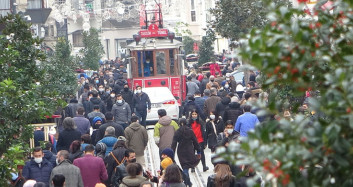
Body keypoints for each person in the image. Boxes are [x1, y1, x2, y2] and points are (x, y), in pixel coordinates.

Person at [171, 118, 200, 187]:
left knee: (184, 166)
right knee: (187, 166)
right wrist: (198, 151)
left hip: (181, 151)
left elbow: (174, 144)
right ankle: (188, 182)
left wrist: (172, 155)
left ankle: (187, 182)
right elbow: (195, 141)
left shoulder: (177, 132)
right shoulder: (190, 131)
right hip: (190, 150)